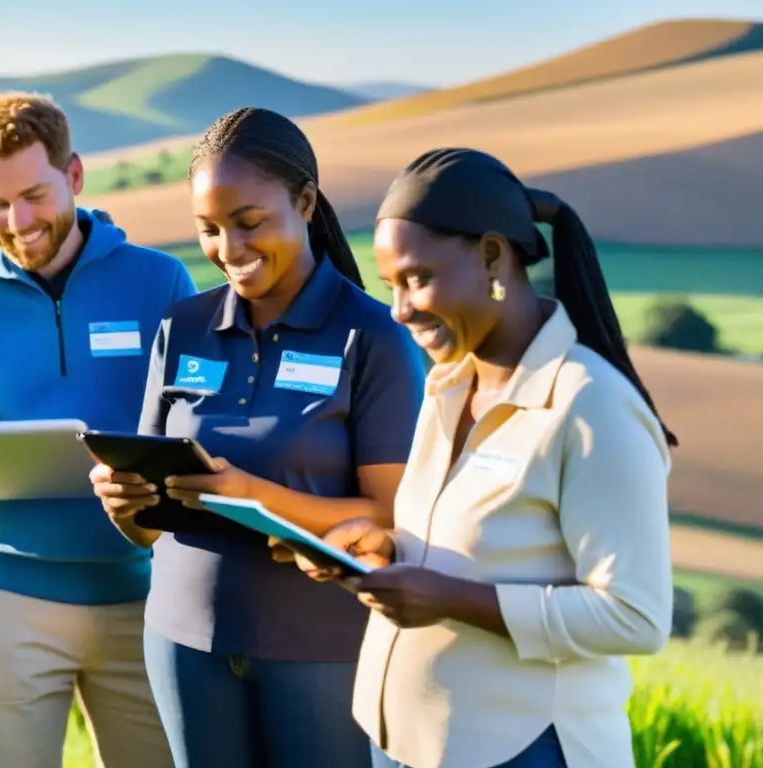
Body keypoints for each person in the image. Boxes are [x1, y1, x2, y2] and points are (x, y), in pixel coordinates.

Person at [296, 148, 676, 768]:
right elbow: (471, 545)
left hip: (523, 748)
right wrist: (385, 549)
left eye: (417, 278)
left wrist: (450, 598)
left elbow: (635, 616)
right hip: (402, 740)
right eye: (391, 285)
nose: (399, 309)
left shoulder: (591, 406)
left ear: (494, 256)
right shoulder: (449, 385)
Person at [89, 107, 427, 768]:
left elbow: (395, 517)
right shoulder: (181, 327)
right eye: (209, 230)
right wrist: (124, 506)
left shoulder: (374, 337)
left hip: (324, 651)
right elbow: (147, 528)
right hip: (183, 644)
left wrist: (253, 495)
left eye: (249, 224)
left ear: (305, 201)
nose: (229, 250)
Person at [0, 92, 193, 767]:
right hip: (10, 595)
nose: (18, 221)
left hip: (145, 592)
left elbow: (197, 425)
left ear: (74, 176)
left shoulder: (160, 282)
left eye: (34, 195)